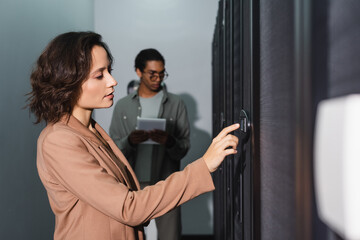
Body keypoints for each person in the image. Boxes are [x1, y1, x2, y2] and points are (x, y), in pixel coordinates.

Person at [27, 31, 239, 240]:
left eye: (109, 71)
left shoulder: (92, 130)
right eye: (100, 75)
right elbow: (129, 208)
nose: (113, 81)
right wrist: (204, 165)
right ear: (69, 80)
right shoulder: (58, 140)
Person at [109, 48, 188, 239]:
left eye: (162, 74)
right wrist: (129, 141)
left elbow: (184, 147)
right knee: (128, 235)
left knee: (170, 236)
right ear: (138, 72)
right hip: (131, 183)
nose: (158, 78)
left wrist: (169, 141)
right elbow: (113, 150)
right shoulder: (123, 106)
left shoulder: (176, 104)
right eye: (152, 73)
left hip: (167, 182)